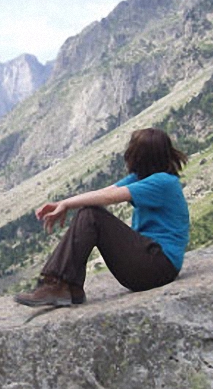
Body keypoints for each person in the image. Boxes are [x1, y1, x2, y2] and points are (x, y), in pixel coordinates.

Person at [14, 127, 190, 307]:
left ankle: (58, 284)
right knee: (89, 212)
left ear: (136, 156)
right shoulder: (142, 178)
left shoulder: (163, 182)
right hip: (149, 265)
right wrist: (65, 202)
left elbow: (108, 198)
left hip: (159, 267)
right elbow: (106, 191)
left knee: (91, 215)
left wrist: (66, 205)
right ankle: (70, 288)